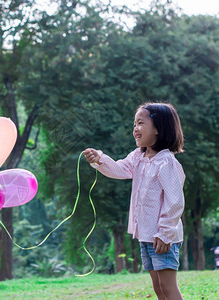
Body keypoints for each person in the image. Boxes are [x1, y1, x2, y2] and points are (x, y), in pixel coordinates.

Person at [84, 102, 185, 300]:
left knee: (168, 287)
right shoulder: (139, 157)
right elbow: (120, 169)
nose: (135, 129)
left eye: (140, 123)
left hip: (162, 237)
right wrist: (99, 159)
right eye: (134, 125)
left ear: (158, 128)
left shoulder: (166, 163)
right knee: (158, 287)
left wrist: (165, 233)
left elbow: (175, 202)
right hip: (146, 235)